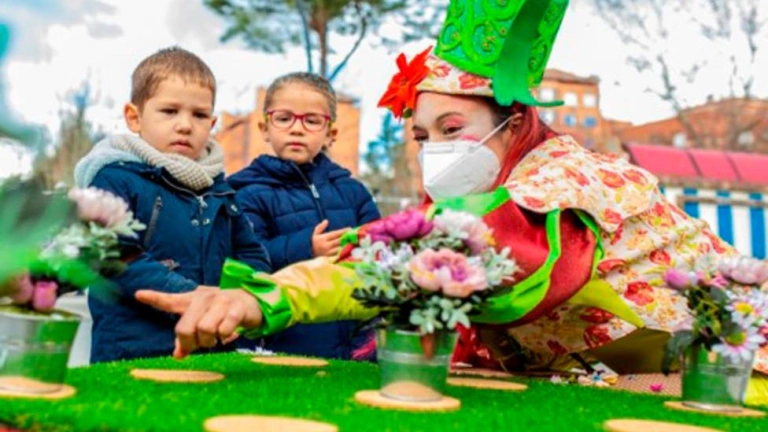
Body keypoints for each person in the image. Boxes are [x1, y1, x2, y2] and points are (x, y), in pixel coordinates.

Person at [134, 0, 768, 404]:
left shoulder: (569, 180)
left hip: (737, 380)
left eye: (453, 128)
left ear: (515, 122)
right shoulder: (485, 185)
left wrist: (270, 297)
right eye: (421, 136)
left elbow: (442, 252)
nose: (433, 150)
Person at [74, 46, 271, 362]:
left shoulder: (220, 191)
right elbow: (111, 254)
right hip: (134, 351)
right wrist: (189, 296)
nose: (185, 125)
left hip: (214, 350)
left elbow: (251, 253)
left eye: (199, 115)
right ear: (134, 117)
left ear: (212, 122)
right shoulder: (114, 179)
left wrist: (236, 301)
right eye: (169, 111)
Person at [228, 72, 380, 359]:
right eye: (284, 118)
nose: (297, 129)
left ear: (331, 133)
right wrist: (306, 248)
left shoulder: (353, 192)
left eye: (311, 121)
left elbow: (382, 251)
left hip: (354, 347)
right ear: (264, 128)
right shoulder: (246, 192)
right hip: (282, 346)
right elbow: (246, 260)